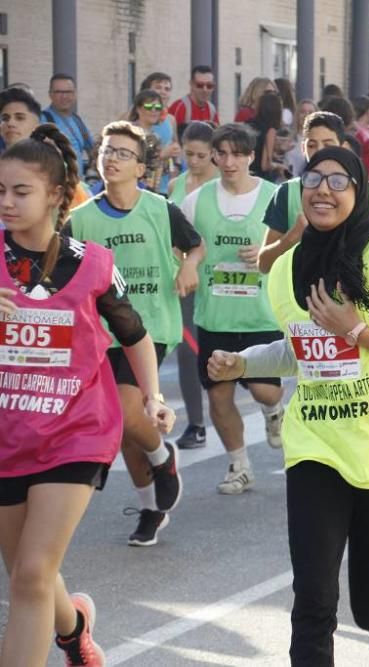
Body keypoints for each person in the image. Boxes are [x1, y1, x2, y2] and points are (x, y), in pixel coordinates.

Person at [207, 146, 369, 666]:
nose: (323, 189)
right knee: (313, 600)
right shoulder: (283, 270)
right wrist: (243, 363)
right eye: (312, 179)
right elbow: (300, 351)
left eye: (339, 181)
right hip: (316, 447)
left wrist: (361, 332)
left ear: (359, 192)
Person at [0, 123, 174, 666]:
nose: (6, 202)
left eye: (20, 191)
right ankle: (74, 632)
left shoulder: (93, 262)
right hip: (8, 432)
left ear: (56, 195)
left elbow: (135, 334)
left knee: (30, 575)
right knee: (27, 572)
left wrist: (151, 396)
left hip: (77, 431)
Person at [67, 120, 204, 547]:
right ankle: (151, 507)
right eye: (106, 150)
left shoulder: (161, 209)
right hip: (98, 333)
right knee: (126, 427)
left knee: (128, 412)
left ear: (142, 166)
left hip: (150, 327)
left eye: (122, 153)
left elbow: (195, 244)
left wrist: (188, 264)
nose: (111, 159)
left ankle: (164, 460)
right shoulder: (80, 220)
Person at [180, 123, 285, 493]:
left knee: (262, 390)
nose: (229, 161)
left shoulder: (275, 197)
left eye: (238, 154)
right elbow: (181, 245)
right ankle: (239, 465)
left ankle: (275, 412)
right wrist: (189, 262)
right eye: (221, 153)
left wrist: (267, 253)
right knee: (219, 394)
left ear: (251, 157)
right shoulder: (196, 201)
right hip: (216, 315)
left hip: (260, 314)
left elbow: (296, 246)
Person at [258, 112, 369, 274]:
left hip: (354, 295)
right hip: (299, 296)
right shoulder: (288, 193)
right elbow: (263, 264)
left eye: (328, 144)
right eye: (312, 145)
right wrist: (292, 237)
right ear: (302, 148)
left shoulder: (366, 191)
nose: (319, 151)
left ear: (343, 147)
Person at [167, 121, 218, 450]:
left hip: (217, 277)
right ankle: (196, 425)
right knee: (186, 350)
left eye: (201, 155)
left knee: (214, 352)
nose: (194, 161)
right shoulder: (175, 184)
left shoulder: (221, 184)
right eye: (189, 154)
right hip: (184, 274)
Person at [1, 86, 92, 208]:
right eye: (5, 118)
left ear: (37, 123)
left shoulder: (56, 170)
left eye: (20, 118)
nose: (10, 123)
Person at [40, 74, 94, 178]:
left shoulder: (77, 120)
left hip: (79, 186)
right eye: (58, 92)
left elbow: (93, 150)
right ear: (50, 94)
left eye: (68, 92)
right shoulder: (43, 119)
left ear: (75, 94)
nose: (64, 96)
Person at [128, 89, 180, 194]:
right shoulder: (129, 131)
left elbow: (160, 169)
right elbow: (129, 162)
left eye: (158, 107)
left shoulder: (155, 137)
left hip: (152, 192)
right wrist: (161, 155)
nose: (154, 110)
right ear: (138, 109)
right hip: (131, 190)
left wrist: (171, 160)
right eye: (148, 106)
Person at [167, 66, 220, 135]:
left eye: (209, 85)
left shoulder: (211, 109)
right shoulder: (180, 107)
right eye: (200, 85)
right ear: (191, 84)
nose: (205, 90)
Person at [249, 92, 283, 182]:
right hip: (260, 179)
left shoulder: (249, 124)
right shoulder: (270, 130)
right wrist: (279, 166)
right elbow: (265, 165)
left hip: (247, 174)